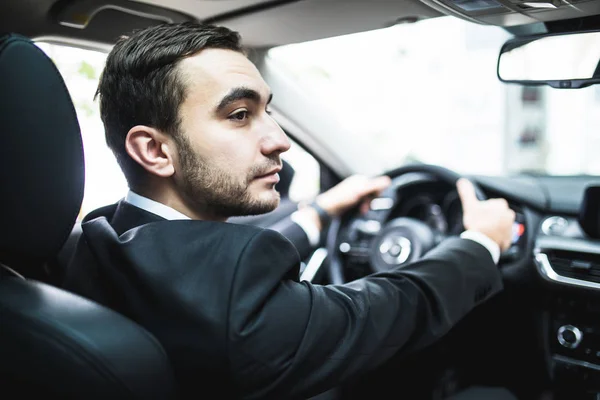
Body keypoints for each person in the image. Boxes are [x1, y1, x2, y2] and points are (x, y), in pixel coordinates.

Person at [62, 22, 516, 400]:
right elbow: (388, 309)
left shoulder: (95, 239)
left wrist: (317, 214)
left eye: (268, 111)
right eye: (239, 114)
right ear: (156, 150)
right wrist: (480, 243)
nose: (279, 139)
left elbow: (218, 269)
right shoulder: (234, 300)